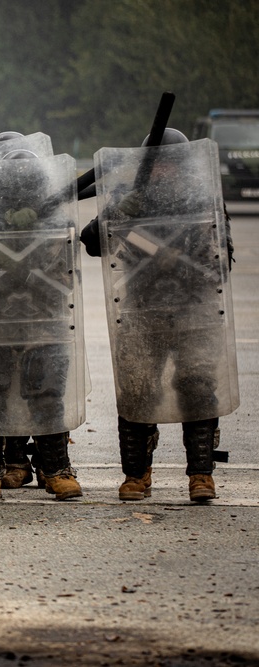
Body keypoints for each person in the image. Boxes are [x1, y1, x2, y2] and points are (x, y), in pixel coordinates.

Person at [80, 128, 235, 502]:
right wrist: (119, 213)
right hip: (139, 311)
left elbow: (222, 258)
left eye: (170, 163)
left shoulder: (203, 200)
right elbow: (90, 241)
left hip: (193, 310)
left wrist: (179, 261)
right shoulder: (128, 198)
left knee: (197, 388)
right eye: (157, 163)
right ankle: (136, 476)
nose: (164, 170)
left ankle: (201, 475)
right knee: (138, 391)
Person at [0, 149, 85, 502]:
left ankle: (58, 469)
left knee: (47, 399)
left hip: (45, 322)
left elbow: (64, 272)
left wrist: (31, 238)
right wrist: (2, 236)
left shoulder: (57, 221)